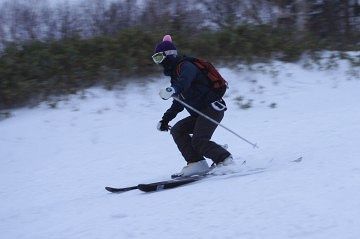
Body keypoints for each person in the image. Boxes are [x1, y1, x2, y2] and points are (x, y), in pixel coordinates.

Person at [152, 35, 233, 177]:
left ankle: (225, 159)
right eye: (155, 59)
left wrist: (172, 89)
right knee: (178, 130)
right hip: (200, 114)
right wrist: (165, 120)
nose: (158, 62)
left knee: (199, 140)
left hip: (212, 109)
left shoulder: (186, 66)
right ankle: (196, 163)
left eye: (159, 58)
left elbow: (184, 83)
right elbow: (178, 103)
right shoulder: (174, 76)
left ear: (168, 55)